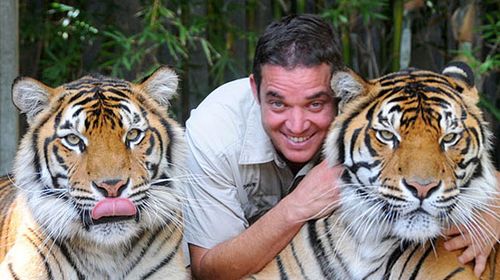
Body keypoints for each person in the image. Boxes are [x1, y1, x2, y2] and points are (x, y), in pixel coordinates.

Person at [183, 14, 500, 280]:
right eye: (278, 103)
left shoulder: (367, 110)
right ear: (255, 89)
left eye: (315, 103)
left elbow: (475, 165)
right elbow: (207, 270)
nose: (297, 125)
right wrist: (298, 206)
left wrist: (495, 207)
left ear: (340, 96)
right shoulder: (216, 132)